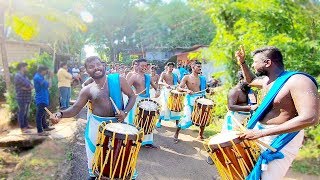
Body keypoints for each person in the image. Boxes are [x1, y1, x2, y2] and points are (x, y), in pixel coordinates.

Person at [236, 46, 319, 179]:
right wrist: (242, 62)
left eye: (255, 62)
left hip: (281, 138)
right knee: (250, 171)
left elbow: (311, 118)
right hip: (260, 133)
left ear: (267, 63)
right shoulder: (267, 81)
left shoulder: (299, 81)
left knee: (268, 177)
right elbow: (250, 80)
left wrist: (262, 133)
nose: (253, 65)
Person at [50, 56, 136, 179]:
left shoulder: (119, 80)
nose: (96, 68)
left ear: (103, 65)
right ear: (87, 71)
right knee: (96, 167)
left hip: (118, 127)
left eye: (98, 64)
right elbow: (75, 109)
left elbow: (132, 96)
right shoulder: (87, 89)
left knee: (120, 164)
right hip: (97, 128)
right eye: (91, 66)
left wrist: (125, 112)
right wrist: (60, 114)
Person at [126, 58, 160, 148]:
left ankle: (147, 142)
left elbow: (156, 87)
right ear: (137, 65)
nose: (144, 67)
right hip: (137, 100)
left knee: (148, 120)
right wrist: (133, 94)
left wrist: (158, 91)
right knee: (136, 120)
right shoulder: (133, 76)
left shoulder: (148, 77)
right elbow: (126, 88)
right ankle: (133, 140)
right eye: (142, 66)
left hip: (146, 100)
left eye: (146, 65)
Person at [174, 61, 207, 143]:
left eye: (200, 67)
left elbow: (205, 89)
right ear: (193, 67)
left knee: (203, 117)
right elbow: (179, 88)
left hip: (200, 99)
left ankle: (200, 135)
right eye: (198, 66)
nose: (200, 68)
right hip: (190, 100)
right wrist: (186, 90)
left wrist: (209, 90)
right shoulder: (186, 77)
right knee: (187, 118)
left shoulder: (202, 78)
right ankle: (176, 134)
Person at [157, 62, 180, 128]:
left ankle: (177, 123)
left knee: (175, 106)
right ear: (167, 67)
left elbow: (180, 83)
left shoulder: (175, 75)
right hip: (166, 91)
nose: (171, 68)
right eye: (169, 66)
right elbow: (159, 82)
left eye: (172, 67)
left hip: (174, 91)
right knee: (164, 106)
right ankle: (159, 121)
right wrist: (165, 84)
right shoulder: (163, 74)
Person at [33, 66, 55, 136]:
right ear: (42, 71)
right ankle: (40, 131)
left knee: (43, 114)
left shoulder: (40, 77)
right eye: (46, 71)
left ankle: (45, 127)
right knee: (39, 115)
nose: (46, 72)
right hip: (41, 99)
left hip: (44, 98)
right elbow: (49, 85)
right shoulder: (38, 77)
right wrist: (51, 77)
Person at [14, 62, 33, 133]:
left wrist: (26, 87)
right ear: (22, 67)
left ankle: (26, 125)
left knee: (26, 112)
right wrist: (28, 87)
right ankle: (23, 128)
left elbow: (31, 85)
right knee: (22, 112)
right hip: (21, 97)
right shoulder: (18, 76)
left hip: (27, 97)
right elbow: (28, 85)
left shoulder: (24, 76)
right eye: (26, 67)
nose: (27, 68)